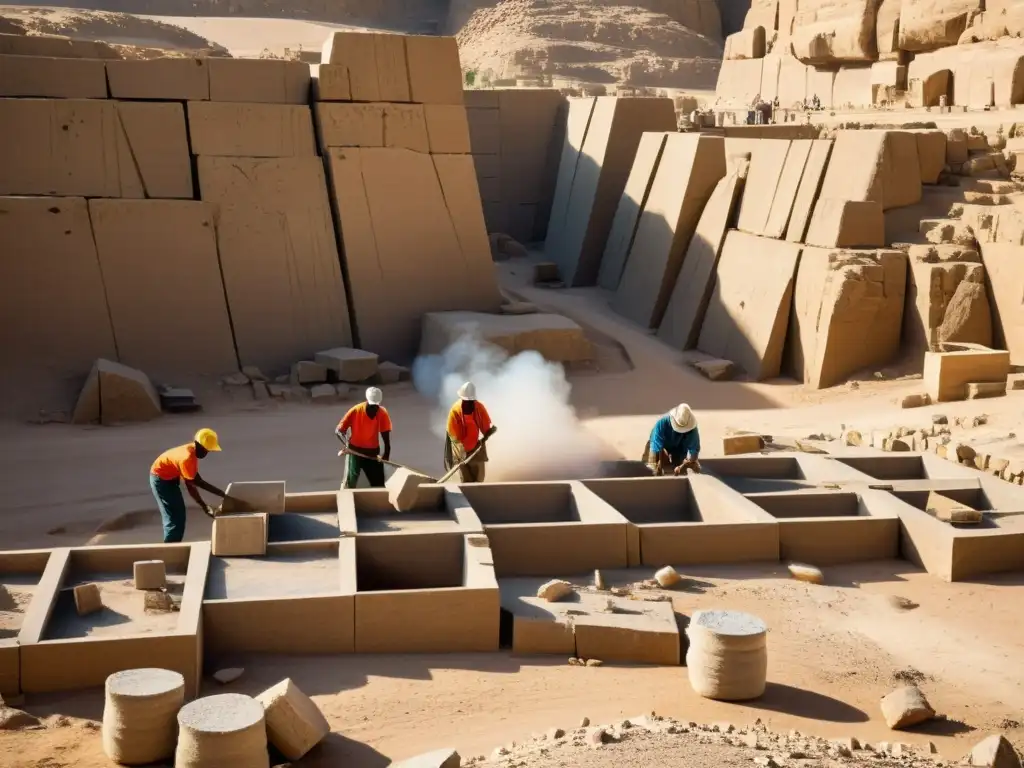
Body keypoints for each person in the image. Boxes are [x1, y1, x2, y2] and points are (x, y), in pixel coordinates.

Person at [150, 428, 228, 543]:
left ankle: (173, 545)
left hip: (170, 476)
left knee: (179, 514)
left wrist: (223, 494)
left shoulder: (193, 451)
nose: (206, 453)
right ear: (198, 444)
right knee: (174, 518)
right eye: (205, 450)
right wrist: (205, 507)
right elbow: (191, 486)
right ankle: (170, 548)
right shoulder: (187, 458)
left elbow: (198, 480)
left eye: (208, 450)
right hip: (160, 480)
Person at [336, 387, 392, 489]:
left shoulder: (382, 413)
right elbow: (339, 431)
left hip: (372, 453)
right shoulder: (356, 410)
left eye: (376, 407)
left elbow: (385, 434)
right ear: (367, 402)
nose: (374, 409)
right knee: (352, 480)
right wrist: (346, 445)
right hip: (355, 451)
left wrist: (386, 453)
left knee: (379, 482)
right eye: (372, 406)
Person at [444, 381, 497, 484]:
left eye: (470, 401)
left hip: (476, 446)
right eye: (465, 401)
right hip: (459, 448)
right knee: (466, 480)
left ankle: (477, 491)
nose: (468, 404)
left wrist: (489, 431)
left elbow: (486, 426)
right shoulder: (455, 411)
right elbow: (453, 434)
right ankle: (467, 491)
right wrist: (460, 450)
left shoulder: (479, 408)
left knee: (479, 478)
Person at [642, 404, 701, 476]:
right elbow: (655, 445)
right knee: (648, 467)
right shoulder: (662, 423)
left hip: (679, 449)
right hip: (660, 447)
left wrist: (689, 462)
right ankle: (662, 463)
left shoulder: (692, 429)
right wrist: (653, 466)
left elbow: (694, 451)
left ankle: (674, 464)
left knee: (683, 470)